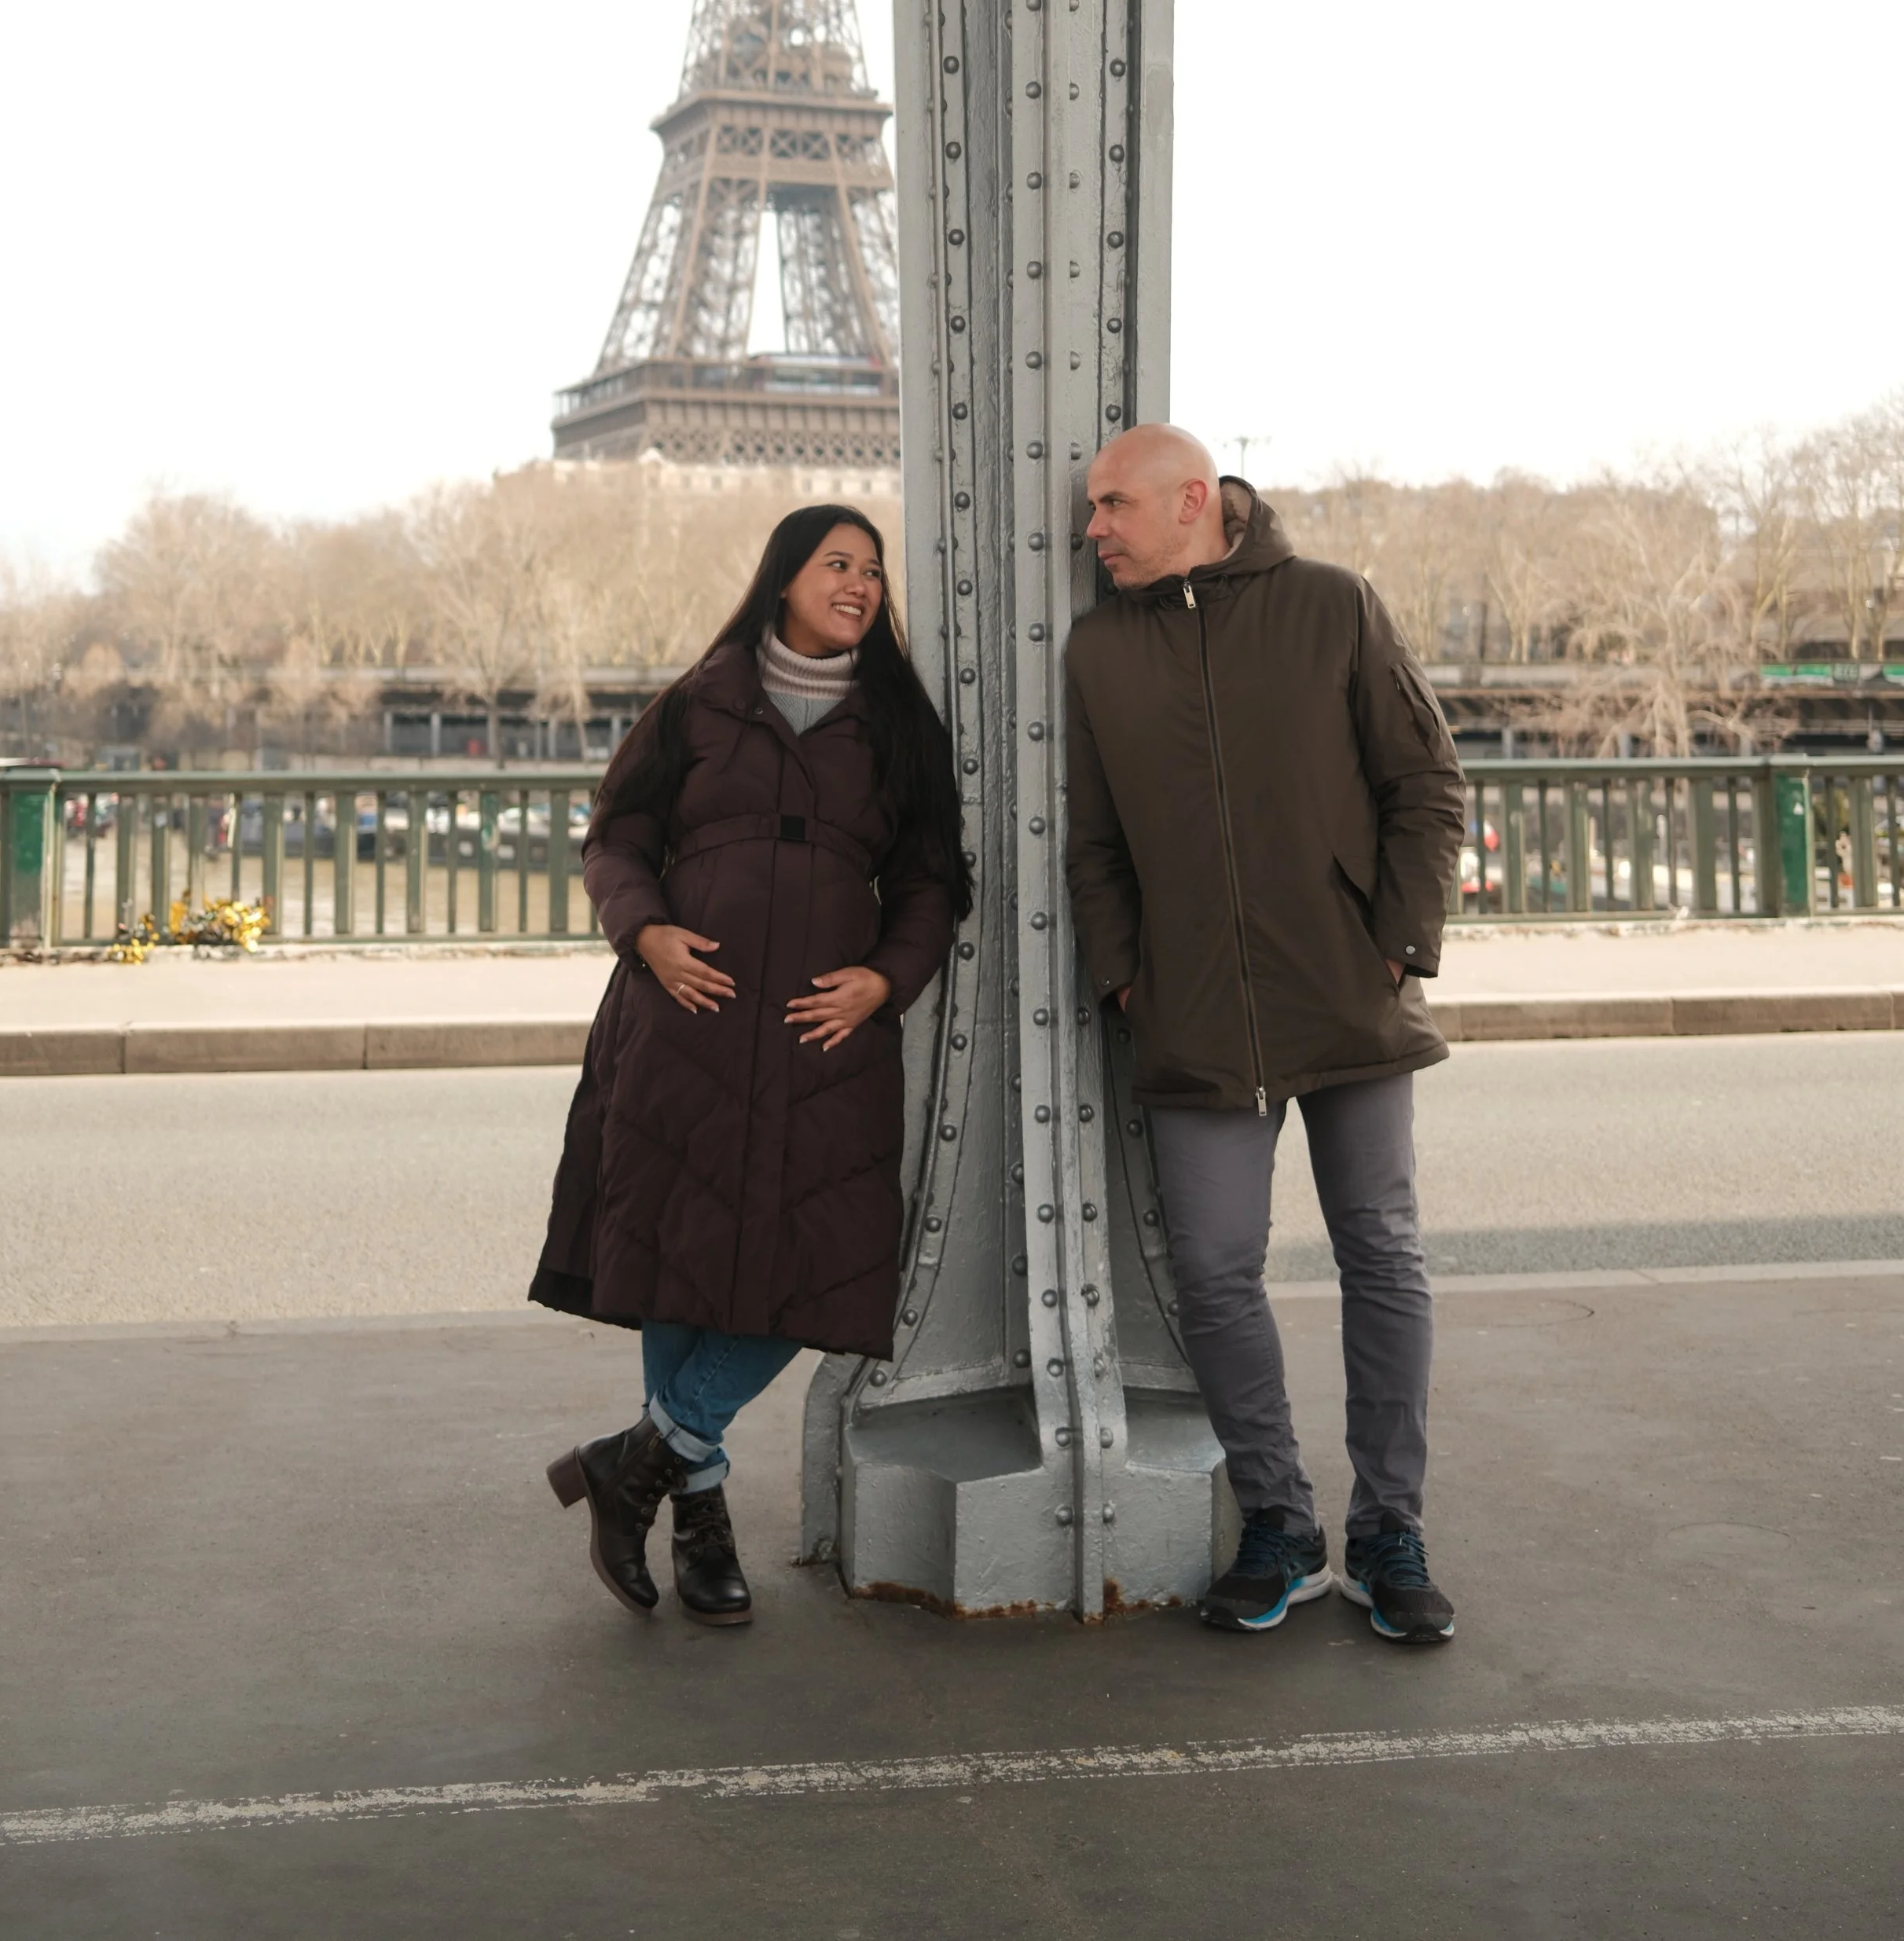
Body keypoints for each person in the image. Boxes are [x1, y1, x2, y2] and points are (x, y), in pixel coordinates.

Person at [1065, 426, 1467, 1646]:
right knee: (1218, 1273)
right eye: (1091, 509)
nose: (1095, 529)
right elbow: (1094, 845)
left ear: (1192, 500)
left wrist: (1395, 944)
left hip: (1346, 998)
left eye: (1114, 505)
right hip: (1191, 1016)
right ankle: (1281, 1522)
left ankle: (1389, 1527)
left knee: (1382, 1256)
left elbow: (1426, 781)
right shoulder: (1097, 649)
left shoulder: (1334, 606)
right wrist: (1131, 978)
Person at [530, 505, 966, 1627]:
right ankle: (701, 1512)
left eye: (873, 569)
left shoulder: (901, 725)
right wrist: (647, 932)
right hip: (687, 1018)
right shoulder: (697, 702)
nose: (861, 583)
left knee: (819, 1262)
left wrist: (887, 979)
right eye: (838, 563)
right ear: (784, 578)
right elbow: (616, 837)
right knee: (684, 1255)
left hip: (824, 1033)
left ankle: (646, 1456)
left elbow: (932, 882)